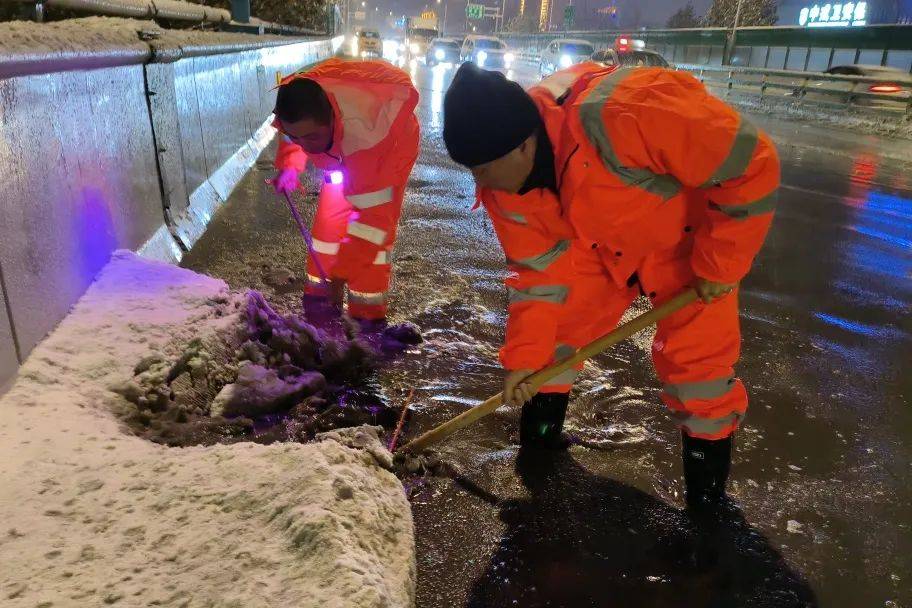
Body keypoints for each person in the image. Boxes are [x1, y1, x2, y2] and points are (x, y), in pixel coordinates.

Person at [442, 62, 779, 511]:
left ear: (523, 145)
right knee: (554, 337)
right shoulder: (506, 190)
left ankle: (707, 504)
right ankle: (539, 452)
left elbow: (753, 162)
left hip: (689, 244)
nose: (478, 184)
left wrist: (721, 264)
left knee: (702, 373)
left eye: (483, 169)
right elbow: (538, 278)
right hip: (597, 244)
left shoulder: (627, 113)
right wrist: (525, 360)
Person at [271, 58, 420, 325]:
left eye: (312, 137)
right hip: (341, 146)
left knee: (369, 246)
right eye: (297, 138)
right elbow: (290, 132)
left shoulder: (369, 144)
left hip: (390, 147)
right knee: (328, 227)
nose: (305, 145)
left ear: (331, 118)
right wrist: (290, 165)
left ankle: (367, 318)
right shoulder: (299, 101)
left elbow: (372, 223)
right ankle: (318, 301)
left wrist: (341, 276)